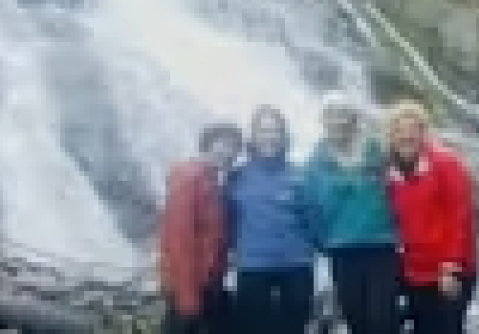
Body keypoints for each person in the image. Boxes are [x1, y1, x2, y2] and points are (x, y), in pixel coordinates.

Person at [304, 97, 401, 334]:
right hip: (342, 250)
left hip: (381, 247)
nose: (338, 121)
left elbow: (400, 191)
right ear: (323, 121)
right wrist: (322, 242)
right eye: (332, 115)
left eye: (343, 114)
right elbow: (310, 207)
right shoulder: (316, 163)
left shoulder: (376, 151)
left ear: (354, 119)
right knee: (356, 318)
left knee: (383, 318)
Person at [384, 98, 477, 334]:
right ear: (391, 136)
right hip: (415, 272)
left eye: (412, 129)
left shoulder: (446, 163)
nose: (406, 136)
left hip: (450, 270)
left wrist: (450, 267)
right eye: (399, 130)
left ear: (423, 132)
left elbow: (460, 216)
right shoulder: (389, 170)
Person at [229, 105, 316, 334]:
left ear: (284, 136)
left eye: (275, 131)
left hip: (296, 265)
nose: (270, 137)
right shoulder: (235, 176)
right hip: (252, 265)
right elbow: (224, 218)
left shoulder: (300, 174)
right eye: (263, 131)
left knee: (293, 328)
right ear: (253, 136)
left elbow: (313, 218)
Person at [160, 122, 244, 334]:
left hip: (208, 280)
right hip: (189, 283)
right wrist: (188, 297)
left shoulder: (212, 179)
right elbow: (180, 241)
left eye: (234, 147)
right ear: (208, 143)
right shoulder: (188, 177)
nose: (228, 152)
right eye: (223, 144)